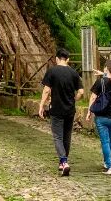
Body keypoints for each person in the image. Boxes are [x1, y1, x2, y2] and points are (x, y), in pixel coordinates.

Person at [39, 48, 84, 176]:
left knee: (57, 136)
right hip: (70, 109)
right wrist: (74, 99)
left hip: (56, 109)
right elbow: (81, 92)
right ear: (67, 59)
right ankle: (62, 162)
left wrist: (41, 105)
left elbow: (47, 90)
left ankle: (64, 162)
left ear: (57, 58)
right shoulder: (74, 73)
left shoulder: (52, 71)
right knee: (67, 135)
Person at [85, 60, 111, 174]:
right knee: (110, 141)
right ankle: (107, 161)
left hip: (102, 116)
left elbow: (93, 98)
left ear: (106, 68)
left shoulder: (100, 82)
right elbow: (110, 78)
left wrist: (89, 111)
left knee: (104, 141)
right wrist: (104, 73)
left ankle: (110, 166)